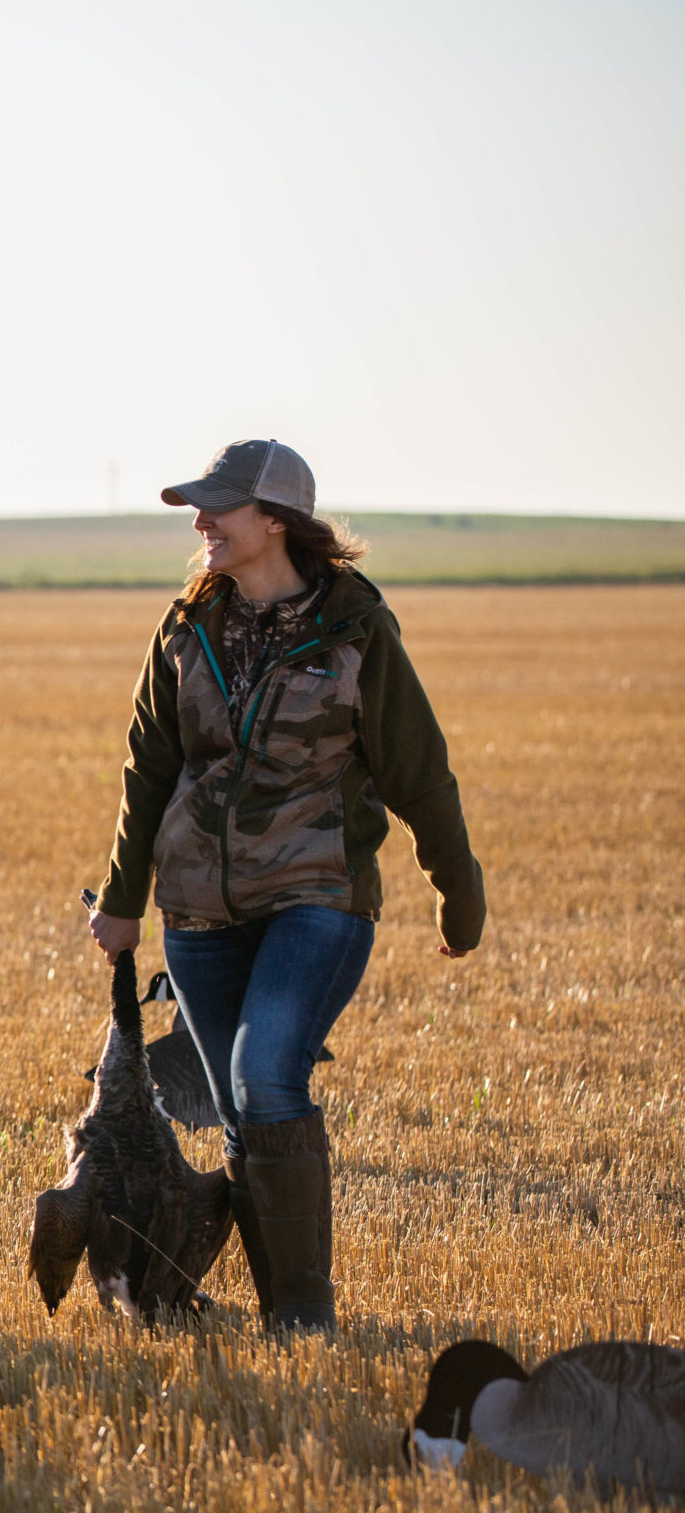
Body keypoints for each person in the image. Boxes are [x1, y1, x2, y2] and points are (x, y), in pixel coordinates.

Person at [88, 440, 484, 1336]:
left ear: (276, 521)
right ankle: (284, 1324)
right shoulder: (187, 626)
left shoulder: (355, 631)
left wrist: (459, 894)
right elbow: (148, 769)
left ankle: (306, 1316)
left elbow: (420, 771)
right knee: (238, 1109)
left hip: (318, 894)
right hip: (198, 911)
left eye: (218, 507)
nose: (199, 523)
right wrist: (122, 897)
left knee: (265, 1076)